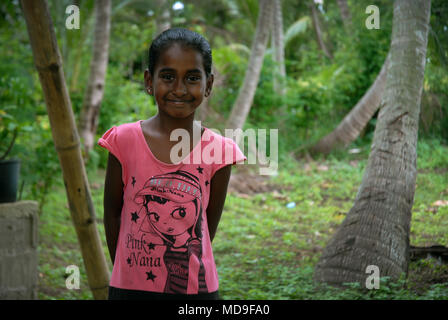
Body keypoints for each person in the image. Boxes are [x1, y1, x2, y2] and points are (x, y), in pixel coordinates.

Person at [98, 28, 246, 300]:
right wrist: (128, 271)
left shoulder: (220, 151)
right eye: (167, 77)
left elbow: (205, 229)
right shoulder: (123, 140)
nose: (179, 89)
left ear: (209, 84)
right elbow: (112, 214)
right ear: (149, 81)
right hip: (128, 288)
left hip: (195, 292)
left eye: (192, 78)